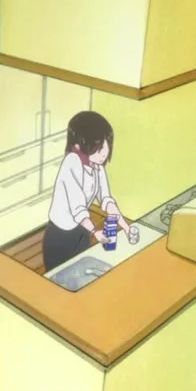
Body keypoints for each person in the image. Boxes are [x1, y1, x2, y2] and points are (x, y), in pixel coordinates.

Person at [43, 111, 139, 272]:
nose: (105, 152)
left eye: (106, 145)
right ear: (78, 146)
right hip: (60, 235)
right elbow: (78, 209)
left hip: (82, 230)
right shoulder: (72, 162)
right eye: (99, 147)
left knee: (82, 273)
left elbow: (106, 200)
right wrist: (95, 231)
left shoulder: (97, 166)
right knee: (59, 277)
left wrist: (126, 228)